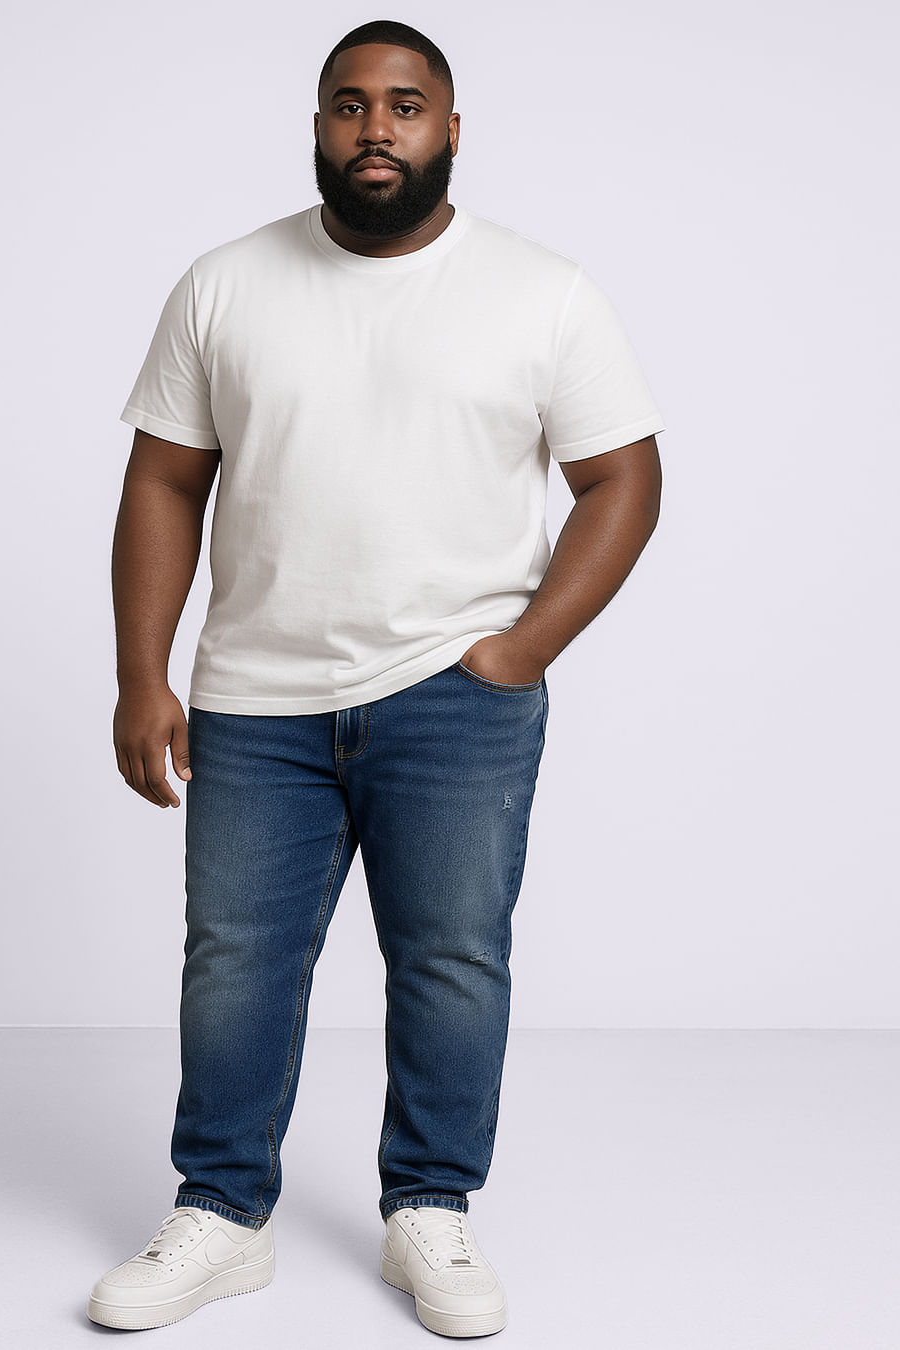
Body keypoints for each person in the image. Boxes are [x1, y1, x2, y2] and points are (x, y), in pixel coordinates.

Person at [87, 17, 665, 1340]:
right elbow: (164, 480)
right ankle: (223, 1216)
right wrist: (141, 674)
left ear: (451, 129)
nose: (376, 128)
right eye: (349, 105)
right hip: (255, 699)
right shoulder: (225, 284)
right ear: (317, 126)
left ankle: (431, 1208)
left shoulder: (542, 291)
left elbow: (623, 478)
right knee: (235, 961)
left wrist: (521, 650)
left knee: (453, 958)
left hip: (454, 693)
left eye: (405, 106)